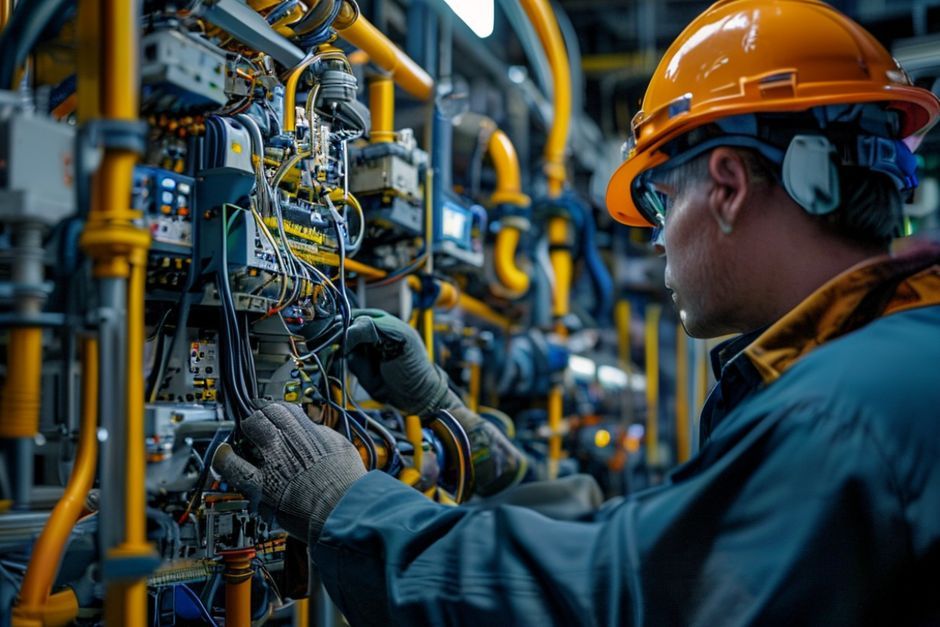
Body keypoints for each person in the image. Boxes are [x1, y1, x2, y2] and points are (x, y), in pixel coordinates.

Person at [214, 1, 940, 624]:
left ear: (725, 186)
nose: (655, 234)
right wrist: (461, 429)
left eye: (659, 199)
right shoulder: (878, 364)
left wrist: (348, 506)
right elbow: (651, 538)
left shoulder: (842, 415)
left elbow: (616, 592)